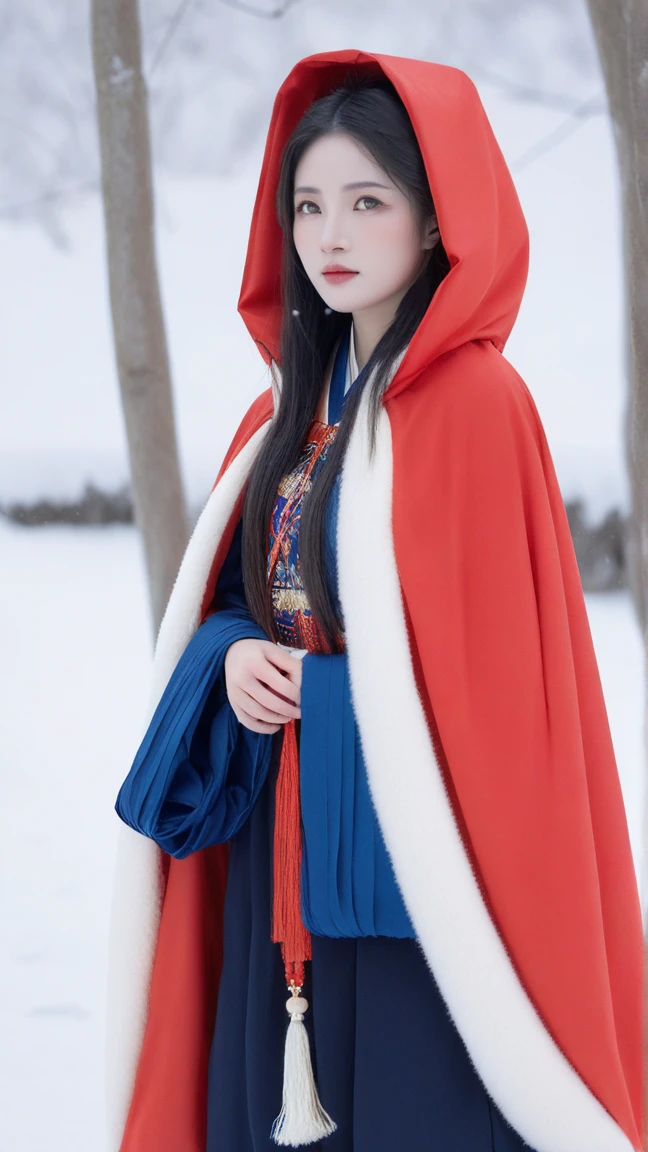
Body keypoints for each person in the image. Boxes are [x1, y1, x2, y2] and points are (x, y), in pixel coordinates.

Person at [106, 50, 644, 1152]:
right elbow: (249, 606)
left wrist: (335, 693)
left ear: (437, 220)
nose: (330, 236)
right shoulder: (279, 423)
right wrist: (230, 659)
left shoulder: (478, 407)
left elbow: (502, 697)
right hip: (280, 864)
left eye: (367, 201)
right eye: (307, 205)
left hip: (423, 891)